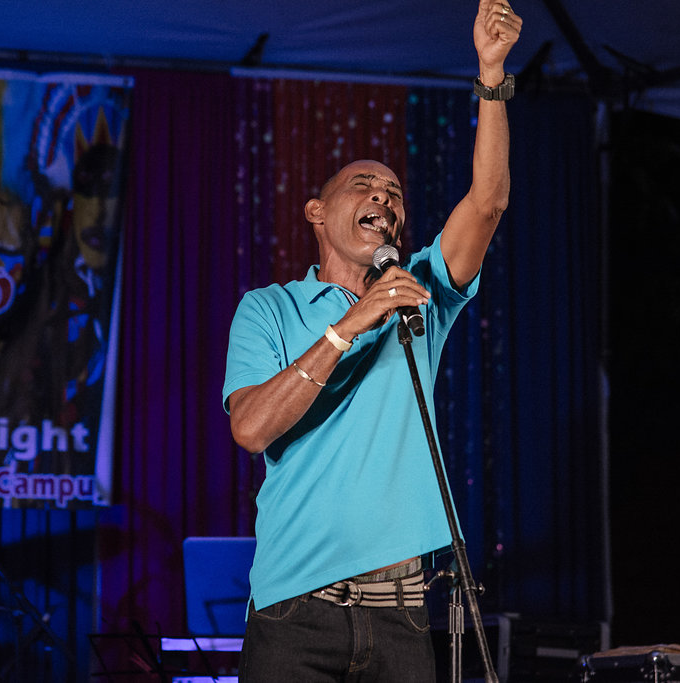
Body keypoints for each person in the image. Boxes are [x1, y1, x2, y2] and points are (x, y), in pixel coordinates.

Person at [222, 2, 521, 680]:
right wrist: (349, 325)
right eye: (365, 186)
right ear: (317, 212)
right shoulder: (269, 308)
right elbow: (251, 428)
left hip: (400, 615)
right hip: (294, 613)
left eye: (394, 193)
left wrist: (491, 75)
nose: (384, 198)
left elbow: (488, 202)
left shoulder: (420, 291)